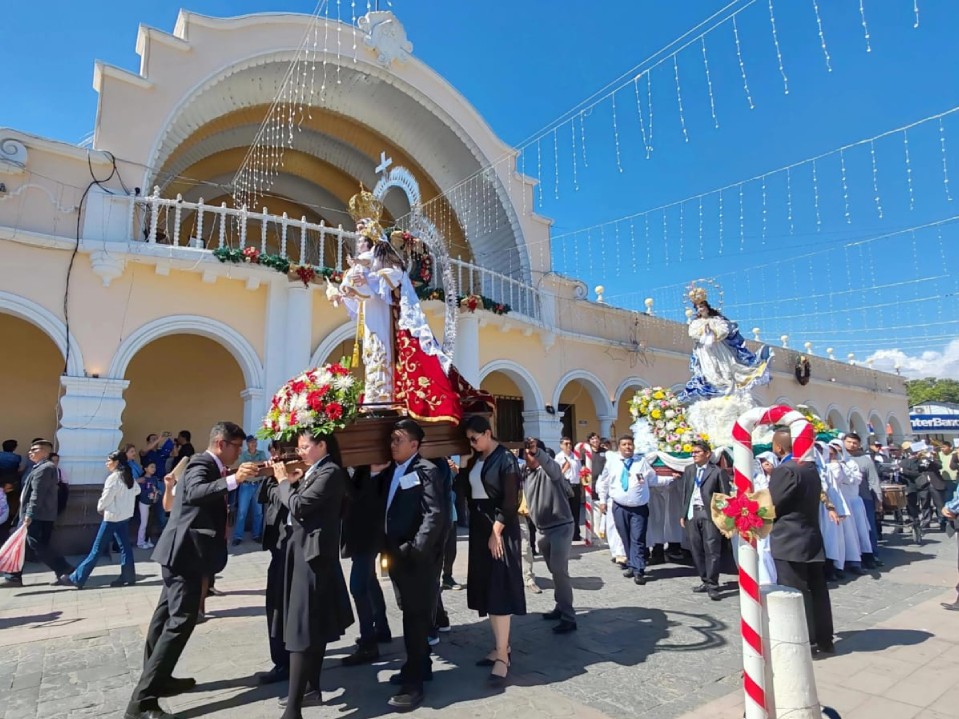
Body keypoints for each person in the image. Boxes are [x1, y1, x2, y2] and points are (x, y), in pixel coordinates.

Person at [125, 422, 258, 719]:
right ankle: (142, 703)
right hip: (185, 554)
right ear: (222, 443)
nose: (239, 453)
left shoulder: (209, 464)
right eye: (236, 447)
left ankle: (158, 679)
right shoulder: (201, 462)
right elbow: (197, 492)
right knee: (181, 622)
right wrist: (235, 479)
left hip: (183, 552)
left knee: (164, 619)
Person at [326, 186, 492, 422]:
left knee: (382, 353)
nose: (358, 241)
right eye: (358, 236)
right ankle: (375, 398)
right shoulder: (357, 263)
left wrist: (369, 278)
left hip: (384, 316)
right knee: (371, 354)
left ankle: (383, 399)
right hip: (370, 317)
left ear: (372, 239)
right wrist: (342, 293)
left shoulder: (382, 255)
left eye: (362, 237)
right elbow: (357, 293)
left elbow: (395, 275)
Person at [270, 431, 354, 717]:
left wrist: (284, 483)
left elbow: (299, 506)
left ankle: (293, 708)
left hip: (313, 557)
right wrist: (290, 482)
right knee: (312, 626)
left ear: (322, 446)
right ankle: (310, 690)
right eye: (300, 446)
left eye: (306, 446)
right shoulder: (314, 471)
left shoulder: (329, 472)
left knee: (302, 629)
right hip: (303, 553)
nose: (301, 451)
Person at [380, 419, 449, 710]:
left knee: (417, 617)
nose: (393, 444)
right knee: (409, 612)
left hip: (417, 559)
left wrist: (415, 550)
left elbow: (434, 515)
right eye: (392, 440)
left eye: (399, 440)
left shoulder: (426, 471)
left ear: (414, 445)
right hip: (396, 555)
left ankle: (414, 684)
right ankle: (419, 666)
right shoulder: (391, 470)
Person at [461, 415, 525, 687]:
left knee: (499, 589)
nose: (472, 444)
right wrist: (464, 467)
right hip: (479, 525)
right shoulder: (478, 459)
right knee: (488, 587)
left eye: (475, 438)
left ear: (488, 433)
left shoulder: (505, 459)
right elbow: (464, 492)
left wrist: (496, 531)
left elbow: (511, 500)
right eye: (469, 440)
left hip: (498, 526)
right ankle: (502, 646)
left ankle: (502, 656)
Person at [769, 429, 835, 656]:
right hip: (810, 536)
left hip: (790, 539)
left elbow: (772, 504)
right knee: (818, 591)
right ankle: (825, 639)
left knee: (796, 592)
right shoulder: (809, 467)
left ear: (779, 447)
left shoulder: (786, 470)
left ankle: (804, 641)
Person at [678, 286, 772, 402]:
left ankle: (729, 390)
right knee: (709, 371)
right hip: (704, 350)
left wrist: (713, 332)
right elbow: (692, 333)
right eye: (698, 308)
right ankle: (716, 392)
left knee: (726, 368)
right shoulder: (696, 323)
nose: (700, 309)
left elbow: (724, 330)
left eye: (701, 306)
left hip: (718, 347)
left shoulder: (716, 319)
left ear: (707, 307)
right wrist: (703, 332)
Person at [61, 451, 140, 588]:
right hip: (124, 516)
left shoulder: (114, 478)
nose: (106, 463)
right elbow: (137, 490)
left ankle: (77, 578)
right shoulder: (128, 476)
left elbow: (107, 497)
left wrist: (100, 507)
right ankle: (128, 576)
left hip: (112, 517)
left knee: (96, 549)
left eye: (108, 461)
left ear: (116, 462)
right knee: (125, 547)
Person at [1, 440, 73, 588]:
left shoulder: (45, 468)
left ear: (45, 452)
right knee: (24, 544)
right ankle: (14, 576)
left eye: (35, 449)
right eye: (30, 449)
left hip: (37, 515)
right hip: (34, 514)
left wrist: (29, 514)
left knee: (36, 545)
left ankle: (65, 569)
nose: (30, 452)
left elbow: (37, 493)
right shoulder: (38, 467)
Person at [340, 464, 392, 667]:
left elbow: (356, 495)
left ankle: (369, 644)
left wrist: (341, 467)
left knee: (358, 586)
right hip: (360, 537)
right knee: (369, 582)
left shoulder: (377, 473)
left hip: (369, 537)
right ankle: (382, 628)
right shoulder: (363, 469)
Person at [524, 438, 577, 633]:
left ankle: (569, 618)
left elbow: (550, 465)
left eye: (532, 454)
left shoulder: (550, 472)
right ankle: (560, 606)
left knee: (559, 571)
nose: (528, 457)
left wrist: (537, 451)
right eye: (526, 453)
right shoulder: (524, 473)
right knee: (554, 571)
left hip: (561, 527)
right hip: (542, 530)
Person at [596, 435, 659, 586]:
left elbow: (653, 479)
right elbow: (604, 482)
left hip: (639, 508)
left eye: (630, 444)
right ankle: (631, 564)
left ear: (633, 447)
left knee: (637, 538)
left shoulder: (641, 462)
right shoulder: (612, 462)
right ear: (619, 447)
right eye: (624, 444)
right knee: (624, 537)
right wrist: (603, 500)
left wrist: (672, 478)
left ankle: (639, 570)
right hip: (619, 506)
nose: (627, 447)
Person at [254, 442, 292, 686]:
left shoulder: (292, 480)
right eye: (272, 453)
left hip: (288, 549)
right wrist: (270, 474)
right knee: (274, 606)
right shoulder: (277, 480)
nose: (274, 457)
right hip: (276, 549)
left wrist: (282, 478)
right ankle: (282, 659)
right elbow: (262, 497)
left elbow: (284, 500)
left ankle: (284, 663)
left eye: (277, 453)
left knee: (280, 608)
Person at [680, 439, 730, 601]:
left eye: (697, 452)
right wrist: (683, 514)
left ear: (707, 454)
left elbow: (724, 496)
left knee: (712, 549)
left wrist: (722, 518)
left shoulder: (717, 472)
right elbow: (685, 493)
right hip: (692, 514)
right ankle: (704, 579)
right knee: (696, 549)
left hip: (709, 514)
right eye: (692, 452)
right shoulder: (689, 470)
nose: (693, 455)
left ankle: (713, 584)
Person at [843, 433, 884, 567]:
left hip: (864, 498)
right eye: (849, 442)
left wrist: (878, 500)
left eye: (855, 443)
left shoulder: (865, 460)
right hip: (846, 499)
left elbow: (873, 481)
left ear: (859, 444)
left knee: (869, 527)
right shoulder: (838, 458)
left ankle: (873, 554)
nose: (852, 445)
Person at [233, 435, 268, 545]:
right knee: (242, 512)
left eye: (255, 442)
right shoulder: (243, 455)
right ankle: (238, 536)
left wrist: (253, 466)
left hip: (258, 484)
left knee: (258, 512)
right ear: (247, 444)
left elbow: (265, 465)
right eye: (251, 442)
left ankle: (256, 534)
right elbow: (243, 467)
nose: (254, 444)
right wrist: (257, 465)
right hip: (246, 485)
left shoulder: (261, 453)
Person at [556, 438, 582, 542]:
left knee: (575, 511)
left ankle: (576, 534)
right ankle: (566, 534)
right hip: (565, 486)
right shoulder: (558, 458)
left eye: (570, 443)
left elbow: (579, 471)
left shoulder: (575, 456)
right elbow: (556, 475)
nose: (568, 446)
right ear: (561, 445)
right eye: (566, 444)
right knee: (566, 512)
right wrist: (565, 469)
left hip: (575, 486)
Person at [136, 462, 160, 549]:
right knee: (144, 523)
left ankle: (147, 540)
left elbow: (156, 489)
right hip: (144, 503)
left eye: (154, 467)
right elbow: (141, 491)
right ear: (146, 469)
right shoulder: (142, 479)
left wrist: (156, 494)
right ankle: (140, 542)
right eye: (151, 467)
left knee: (150, 523)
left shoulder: (154, 479)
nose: (153, 469)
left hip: (152, 503)